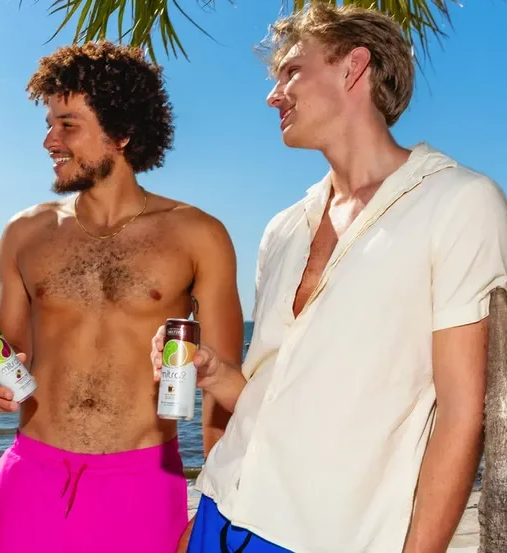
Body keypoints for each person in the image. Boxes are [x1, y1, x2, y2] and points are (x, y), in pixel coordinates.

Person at [152, 4, 507, 553]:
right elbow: (279, 400)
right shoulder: (282, 228)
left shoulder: (458, 203)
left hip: (328, 537)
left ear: (353, 67)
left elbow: (461, 415)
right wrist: (218, 375)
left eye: (292, 71)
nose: (274, 94)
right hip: (219, 512)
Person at [0, 41, 244, 553]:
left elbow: (221, 391)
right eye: (49, 123)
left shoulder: (197, 235)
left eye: (68, 124)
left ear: (121, 132)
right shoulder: (24, 233)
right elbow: (9, 361)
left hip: (143, 484)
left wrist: (217, 506)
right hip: (31, 475)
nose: (50, 139)